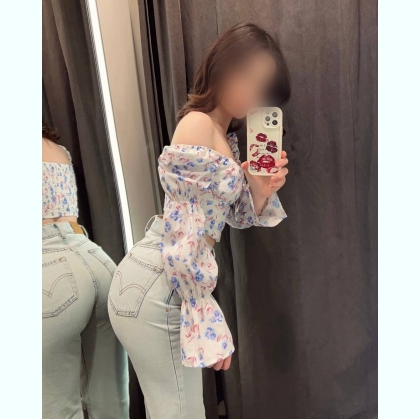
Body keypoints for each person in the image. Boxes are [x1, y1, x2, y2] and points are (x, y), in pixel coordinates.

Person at [108, 22, 290, 418]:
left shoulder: (223, 136)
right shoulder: (198, 124)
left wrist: (259, 189)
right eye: (245, 74)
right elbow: (183, 227)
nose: (251, 91)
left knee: (179, 409)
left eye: (261, 85)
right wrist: (201, 307)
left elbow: (232, 218)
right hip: (163, 279)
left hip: (168, 276)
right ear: (221, 65)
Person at [42, 122, 128, 418]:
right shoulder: (58, 150)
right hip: (93, 258)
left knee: (54, 406)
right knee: (111, 403)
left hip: (47, 273)